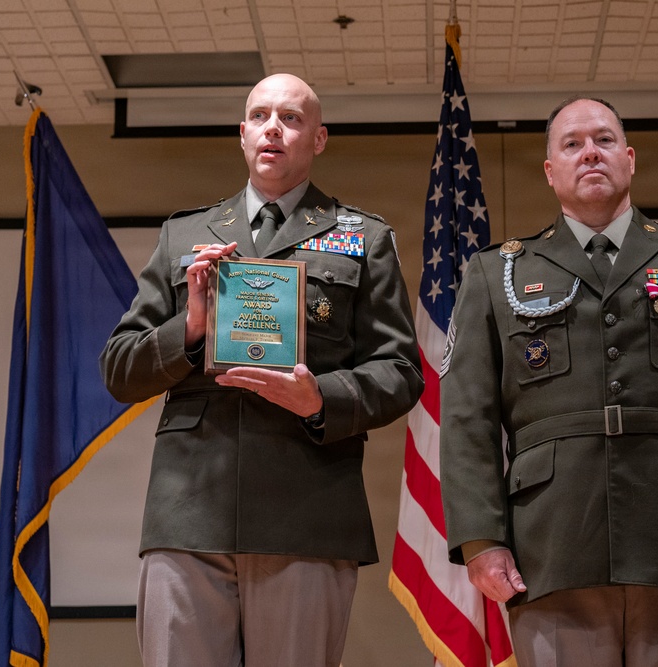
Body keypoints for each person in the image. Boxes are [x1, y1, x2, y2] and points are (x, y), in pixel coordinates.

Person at [438, 96, 658, 666]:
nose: (590, 153)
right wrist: (482, 541)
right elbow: (467, 420)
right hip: (552, 545)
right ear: (550, 171)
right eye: (572, 144)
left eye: (604, 140)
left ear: (629, 159)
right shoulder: (496, 274)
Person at [100, 73, 424, 667]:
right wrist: (190, 328)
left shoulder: (364, 237)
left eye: (292, 118)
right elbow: (120, 369)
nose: (273, 127)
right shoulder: (185, 235)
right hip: (190, 509)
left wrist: (321, 398)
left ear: (319, 138)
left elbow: (401, 370)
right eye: (260, 116)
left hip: (307, 510)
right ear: (243, 133)